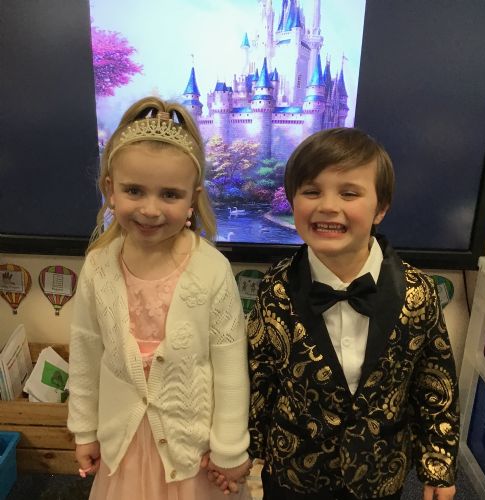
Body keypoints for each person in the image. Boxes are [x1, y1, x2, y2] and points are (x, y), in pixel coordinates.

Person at [247, 128, 459, 500]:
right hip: (294, 471)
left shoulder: (418, 291)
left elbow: (434, 382)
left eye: (349, 193)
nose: (328, 206)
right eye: (312, 191)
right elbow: (259, 375)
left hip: (381, 472)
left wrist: (438, 466)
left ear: (381, 208)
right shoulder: (276, 287)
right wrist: (247, 449)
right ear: (292, 201)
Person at [67, 96, 252, 499]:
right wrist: (84, 430)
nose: (150, 210)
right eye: (134, 190)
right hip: (123, 447)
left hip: (192, 454)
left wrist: (230, 448)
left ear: (192, 199)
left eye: (169, 195)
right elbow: (85, 353)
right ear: (110, 190)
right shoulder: (99, 266)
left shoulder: (211, 269)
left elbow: (229, 367)